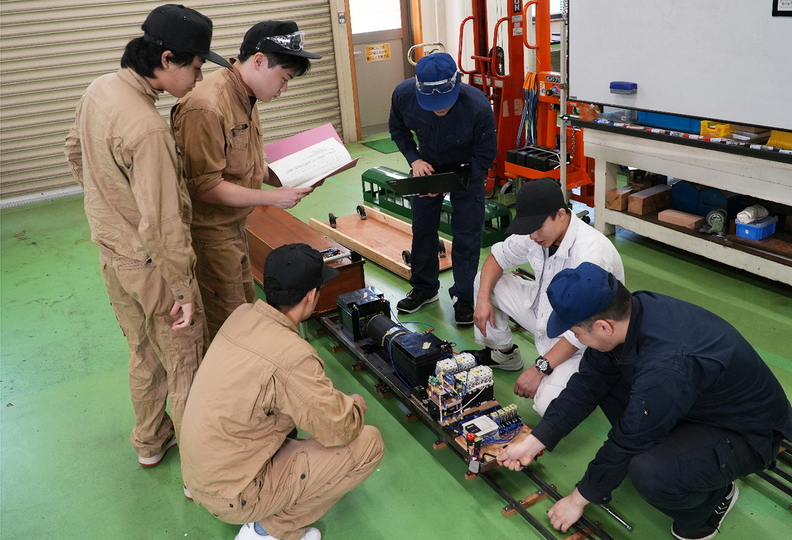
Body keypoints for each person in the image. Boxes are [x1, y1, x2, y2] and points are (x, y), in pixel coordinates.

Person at [498, 262, 792, 540]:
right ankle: (680, 454)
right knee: (607, 384)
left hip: (747, 432)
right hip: (699, 404)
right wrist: (533, 442)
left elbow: (631, 436)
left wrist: (578, 499)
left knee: (650, 471)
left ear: (603, 327)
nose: (577, 339)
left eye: (576, 333)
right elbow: (587, 384)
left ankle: (714, 501)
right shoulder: (631, 313)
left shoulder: (666, 365)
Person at [64, 4, 228, 468]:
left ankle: (151, 440)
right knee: (184, 359)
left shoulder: (100, 89)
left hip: (112, 254)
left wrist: (110, 202)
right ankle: (201, 470)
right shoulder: (149, 130)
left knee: (142, 350)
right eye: (195, 66)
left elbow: (73, 151)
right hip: (152, 266)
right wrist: (184, 290)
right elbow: (163, 224)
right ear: (167, 59)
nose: (199, 77)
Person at [180, 243, 384, 540]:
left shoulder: (242, 314)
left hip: (202, 472)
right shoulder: (292, 356)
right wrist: (353, 406)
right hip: (232, 494)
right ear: (311, 295)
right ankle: (267, 532)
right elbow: (339, 430)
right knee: (369, 443)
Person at [171, 20, 321, 340]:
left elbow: (246, 163)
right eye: (284, 79)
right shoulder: (208, 105)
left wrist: (289, 179)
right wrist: (273, 199)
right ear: (259, 61)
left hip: (235, 228)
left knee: (244, 310)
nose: (284, 89)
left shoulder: (247, 95)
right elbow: (203, 186)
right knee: (229, 327)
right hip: (210, 236)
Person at [468, 177, 624, 416]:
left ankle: (592, 380)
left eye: (537, 227)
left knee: (547, 405)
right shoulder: (538, 232)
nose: (532, 236)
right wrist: (482, 300)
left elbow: (587, 328)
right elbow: (498, 256)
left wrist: (539, 368)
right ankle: (504, 355)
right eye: (528, 228)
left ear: (561, 214)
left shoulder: (591, 255)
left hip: (585, 338)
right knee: (485, 282)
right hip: (547, 313)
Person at [388, 52, 497, 326]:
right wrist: (414, 160)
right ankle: (425, 288)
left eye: (444, 102)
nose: (439, 108)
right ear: (418, 89)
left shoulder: (478, 107)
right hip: (427, 166)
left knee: (467, 233)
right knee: (423, 228)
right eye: (432, 103)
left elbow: (485, 155)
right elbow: (398, 130)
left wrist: (449, 182)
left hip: (468, 170)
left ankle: (464, 296)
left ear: (456, 84)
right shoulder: (403, 95)